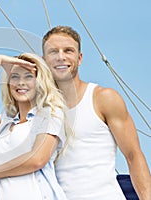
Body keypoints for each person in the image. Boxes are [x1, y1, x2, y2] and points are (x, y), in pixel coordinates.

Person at [42, 25, 151, 200]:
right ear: (44, 60)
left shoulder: (103, 98)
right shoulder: (41, 110)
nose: (61, 57)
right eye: (53, 52)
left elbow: (133, 155)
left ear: (79, 58)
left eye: (68, 51)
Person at [0, 53, 70, 200]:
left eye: (28, 76)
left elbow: (37, 159)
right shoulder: (4, 126)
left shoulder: (49, 115)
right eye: (15, 76)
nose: (21, 82)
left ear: (39, 81)